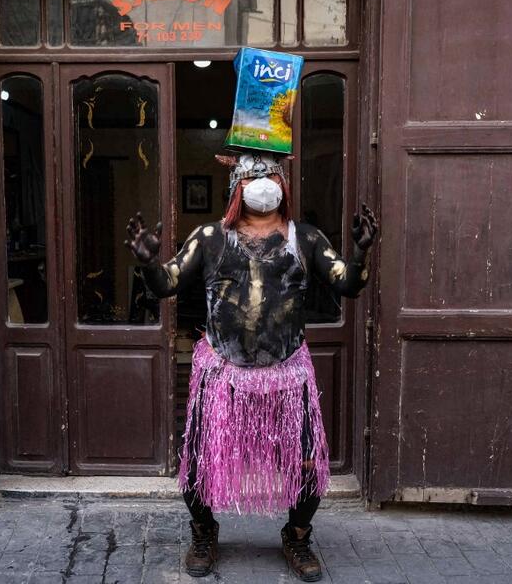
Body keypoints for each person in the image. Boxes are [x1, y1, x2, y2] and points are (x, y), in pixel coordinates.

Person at [124, 153, 377, 581]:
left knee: (308, 464)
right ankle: (203, 532)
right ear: (237, 187)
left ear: (284, 185)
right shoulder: (209, 237)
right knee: (199, 460)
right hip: (221, 373)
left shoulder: (307, 239)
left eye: (272, 175)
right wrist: (148, 263)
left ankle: (296, 536)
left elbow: (348, 284)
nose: (264, 183)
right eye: (254, 175)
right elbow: (167, 283)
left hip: (287, 374)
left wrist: (359, 252)